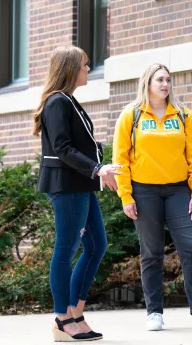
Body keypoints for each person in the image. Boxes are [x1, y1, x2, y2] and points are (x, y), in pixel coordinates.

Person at [112, 63, 192, 332]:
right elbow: (120, 159)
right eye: (159, 80)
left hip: (179, 191)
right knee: (151, 252)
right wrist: (126, 196)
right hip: (143, 191)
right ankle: (154, 313)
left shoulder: (184, 115)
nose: (165, 85)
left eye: (168, 80)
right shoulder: (132, 115)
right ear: (147, 83)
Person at [34, 45, 122, 342]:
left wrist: (100, 171)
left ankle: (76, 313)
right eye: (84, 64)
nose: (88, 68)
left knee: (97, 245)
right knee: (66, 250)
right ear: (71, 68)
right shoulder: (57, 102)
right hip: (66, 187)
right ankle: (62, 319)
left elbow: (78, 146)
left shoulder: (68, 100)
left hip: (80, 185)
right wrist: (98, 169)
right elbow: (62, 148)